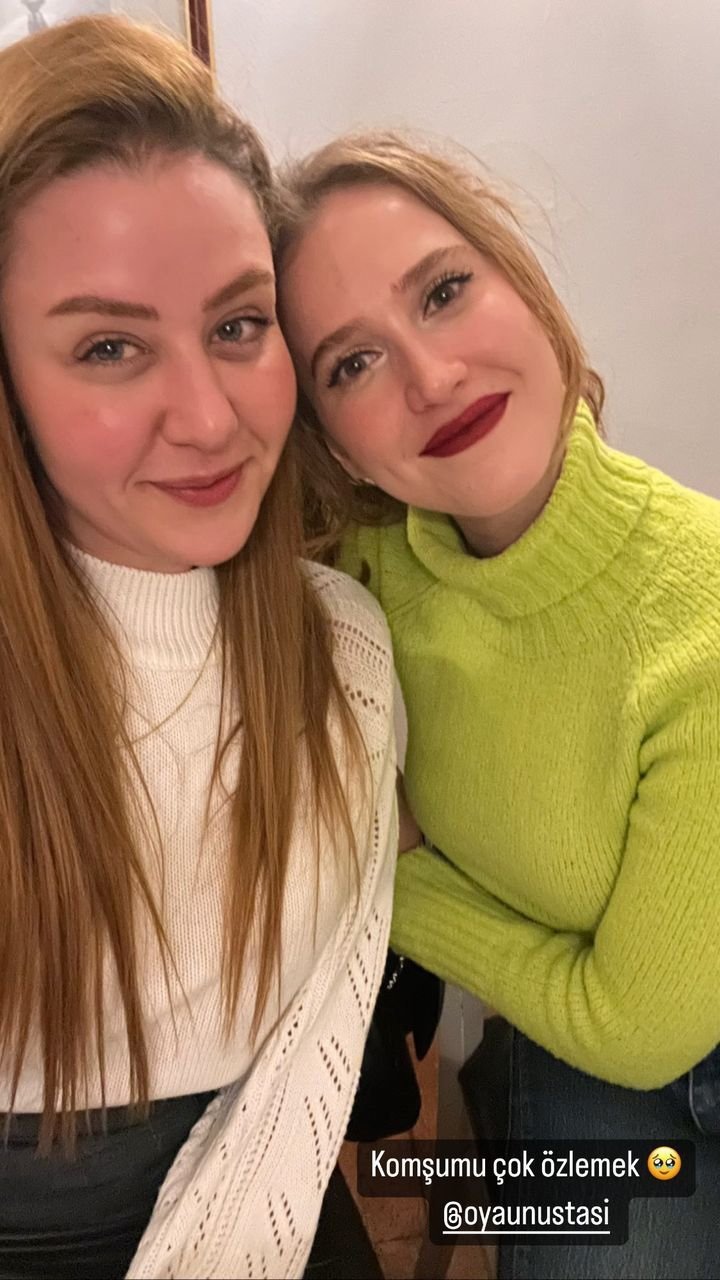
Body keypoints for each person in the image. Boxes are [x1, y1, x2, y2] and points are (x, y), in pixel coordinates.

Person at [274, 131, 720, 1279]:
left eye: (443, 291)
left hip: (640, 1031)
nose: (430, 377)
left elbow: (643, 1022)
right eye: (351, 363)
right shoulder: (363, 574)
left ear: (522, 280)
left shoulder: (704, 614)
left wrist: (398, 875)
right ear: (333, 445)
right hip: (584, 1057)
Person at [0, 22, 397, 1280]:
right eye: (109, 346)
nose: (212, 418)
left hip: (280, 1204)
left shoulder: (344, 650)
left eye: (239, 324)